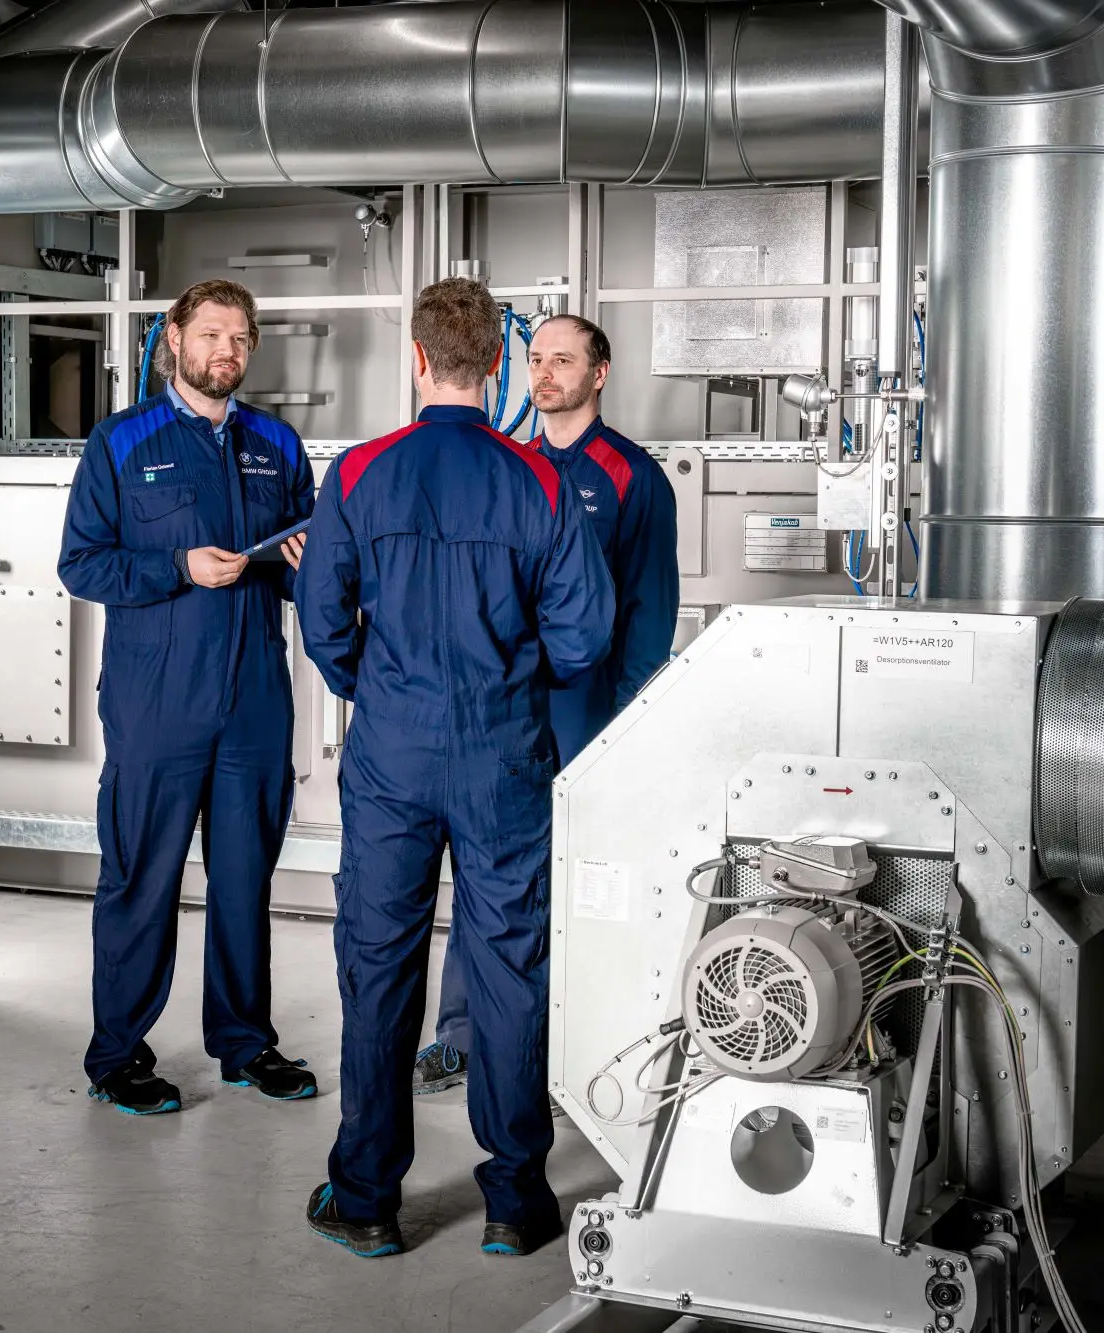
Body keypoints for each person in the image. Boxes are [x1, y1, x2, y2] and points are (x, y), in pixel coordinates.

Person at [296, 278, 615, 1258]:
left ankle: (365, 1198)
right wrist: (508, 679)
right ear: (496, 364)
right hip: (503, 752)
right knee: (510, 961)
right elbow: (584, 635)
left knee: (379, 960)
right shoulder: (542, 481)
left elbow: (321, 620)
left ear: (418, 358)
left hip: (391, 747)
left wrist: (376, 683)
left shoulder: (359, 472)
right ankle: (516, 1199)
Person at [58, 278, 318, 1115]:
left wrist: (309, 565)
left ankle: (245, 1042)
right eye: (210, 334)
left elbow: (303, 570)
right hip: (157, 699)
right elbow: (82, 563)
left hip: (253, 699)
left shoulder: (277, 444)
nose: (226, 351)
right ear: (173, 339)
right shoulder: (122, 441)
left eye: (240, 338)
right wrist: (178, 566)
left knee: (244, 880)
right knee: (142, 876)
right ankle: (117, 1055)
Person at [413, 313, 681, 1096]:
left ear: (600, 372)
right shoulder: (510, 467)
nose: (545, 373)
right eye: (535, 358)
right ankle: (462, 1034)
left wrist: (623, 729)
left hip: (586, 713)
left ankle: (575, 1046)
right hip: (504, 711)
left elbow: (649, 615)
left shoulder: (633, 477)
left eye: (563, 359)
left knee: (584, 882)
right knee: (486, 871)